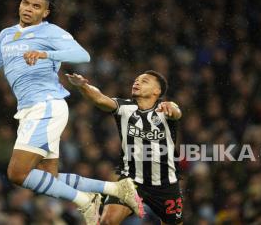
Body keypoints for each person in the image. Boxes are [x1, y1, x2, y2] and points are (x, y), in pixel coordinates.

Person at [0, 0, 143, 225]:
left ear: (45, 12)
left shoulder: (50, 31)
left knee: (17, 174)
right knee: (50, 178)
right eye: (26, 3)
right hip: (31, 110)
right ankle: (117, 189)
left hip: (46, 106)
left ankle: (85, 200)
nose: (29, 8)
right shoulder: (6, 35)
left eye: (36, 6)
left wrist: (45, 54)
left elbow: (83, 55)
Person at [65, 70, 184, 225]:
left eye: (144, 81)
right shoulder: (125, 107)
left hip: (166, 185)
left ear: (157, 91)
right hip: (131, 182)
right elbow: (100, 99)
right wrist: (83, 86)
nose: (137, 82)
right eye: (136, 80)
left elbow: (177, 112)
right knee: (107, 222)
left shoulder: (165, 109)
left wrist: (172, 108)